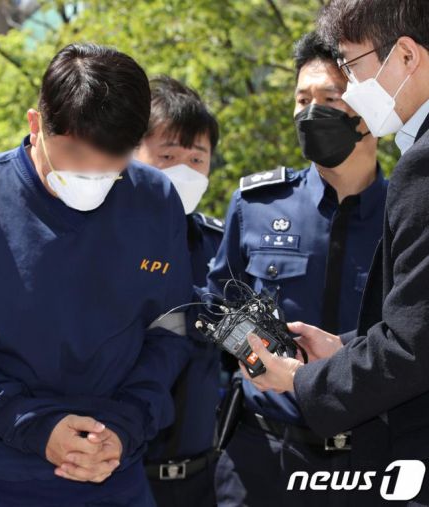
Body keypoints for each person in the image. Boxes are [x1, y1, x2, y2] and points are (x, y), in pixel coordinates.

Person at [0, 44, 196, 507]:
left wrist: (124, 425)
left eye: (114, 158)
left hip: (114, 476)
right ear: (35, 124)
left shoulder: (155, 200)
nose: (93, 172)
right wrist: (35, 426)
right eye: (74, 152)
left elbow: (170, 330)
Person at [243, 1, 429, 504]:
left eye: (351, 65)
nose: (350, 87)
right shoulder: (257, 204)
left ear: (405, 56)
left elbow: (413, 349)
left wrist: (302, 378)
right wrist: (346, 348)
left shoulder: (422, 168)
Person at [206, 32, 387, 506]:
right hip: (264, 456)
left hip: (374, 460)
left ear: (372, 107)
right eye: (302, 99)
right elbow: (216, 303)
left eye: (330, 98)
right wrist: (252, 351)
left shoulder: (408, 214)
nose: (311, 112)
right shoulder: (256, 205)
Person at [134, 75, 223, 507]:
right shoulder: (101, 244)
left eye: (196, 158)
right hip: (119, 476)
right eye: (167, 155)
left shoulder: (217, 246)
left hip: (202, 478)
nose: (184, 171)